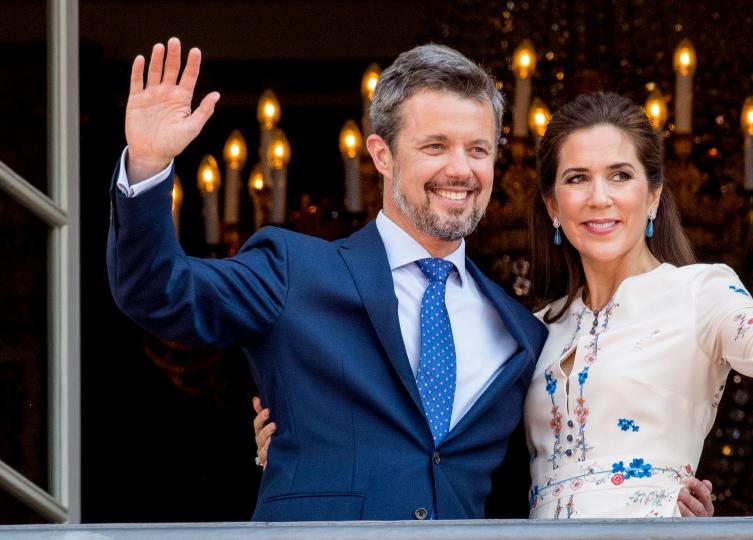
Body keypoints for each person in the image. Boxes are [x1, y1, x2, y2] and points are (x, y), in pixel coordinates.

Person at [107, 37, 718, 520]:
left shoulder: (521, 333)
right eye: (435, 146)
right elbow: (159, 293)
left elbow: (533, 486)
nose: (461, 170)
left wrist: (663, 506)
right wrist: (149, 166)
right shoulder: (295, 270)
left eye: (478, 149)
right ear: (381, 154)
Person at [256, 83, 753, 517]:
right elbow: (449, 442)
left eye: (621, 176)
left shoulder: (699, 291)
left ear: (653, 199)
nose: (600, 198)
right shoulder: (534, 328)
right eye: (577, 179)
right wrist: (307, 436)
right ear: (551, 206)